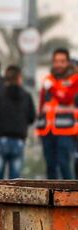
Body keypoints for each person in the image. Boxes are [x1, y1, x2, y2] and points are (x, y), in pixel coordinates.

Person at [35, 48, 78, 180]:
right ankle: (52, 199)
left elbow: (66, 97)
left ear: (68, 62)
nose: (58, 64)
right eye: (56, 61)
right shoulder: (48, 79)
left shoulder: (74, 79)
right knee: (50, 168)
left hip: (66, 131)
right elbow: (42, 104)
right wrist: (38, 128)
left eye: (62, 61)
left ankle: (71, 198)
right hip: (47, 131)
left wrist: (52, 87)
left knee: (64, 166)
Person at [0, 65, 35, 179]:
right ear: (19, 77)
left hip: (1, 139)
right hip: (19, 141)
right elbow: (31, 117)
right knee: (15, 180)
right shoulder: (26, 95)